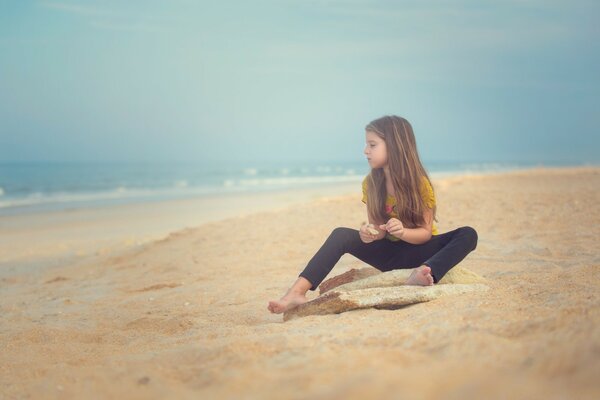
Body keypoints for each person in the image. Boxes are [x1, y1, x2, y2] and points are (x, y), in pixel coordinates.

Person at [267, 115, 478, 314]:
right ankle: (296, 292)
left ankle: (425, 272)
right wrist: (369, 233)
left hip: (421, 251)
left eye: (372, 145)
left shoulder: (419, 184)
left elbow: (424, 233)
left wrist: (403, 232)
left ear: (395, 146)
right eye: (367, 144)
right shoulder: (371, 183)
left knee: (468, 234)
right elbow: (379, 230)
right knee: (341, 234)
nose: (365, 151)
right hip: (390, 256)